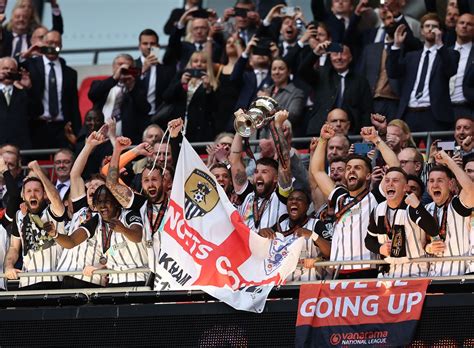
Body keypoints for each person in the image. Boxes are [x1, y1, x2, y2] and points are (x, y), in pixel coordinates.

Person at [310, 124, 399, 279]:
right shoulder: (339, 198)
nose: (351, 171)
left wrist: (376, 139)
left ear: (369, 175)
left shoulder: (376, 197)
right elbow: (317, 171)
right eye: (349, 168)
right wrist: (323, 140)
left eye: (357, 168)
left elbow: (395, 166)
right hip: (338, 272)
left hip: (368, 271)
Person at [105, 119, 183, 288]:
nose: (150, 184)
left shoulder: (177, 202)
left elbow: (182, 168)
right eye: (146, 180)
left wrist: (175, 137)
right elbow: (111, 183)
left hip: (177, 274)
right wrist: (118, 150)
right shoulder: (138, 203)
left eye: (154, 179)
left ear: (165, 182)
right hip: (149, 275)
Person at [50, 183, 147, 287]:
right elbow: (71, 241)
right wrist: (55, 234)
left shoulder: (129, 214)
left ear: (115, 202)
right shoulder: (96, 221)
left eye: (107, 201)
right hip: (114, 282)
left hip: (138, 277)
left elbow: (137, 236)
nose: (103, 206)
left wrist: (123, 230)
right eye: (99, 202)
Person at [386, 13, 460, 131]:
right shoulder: (411, 56)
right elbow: (392, 72)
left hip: (434, 114)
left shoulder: (450, 53)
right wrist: (396, 45)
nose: (430, 28)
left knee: (440, 148)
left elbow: (451, 70)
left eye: (434, 26)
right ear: (421, 31)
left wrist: (440, 44)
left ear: (441, 31)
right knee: (406, 149)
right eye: (427, 26)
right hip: (409, 113)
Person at [365, 168, 440, 278]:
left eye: (395, 180)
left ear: (405, 188)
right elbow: (369, 240)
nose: (390, 184)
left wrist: (418, 206)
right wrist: (380, 248)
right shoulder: (378, 209)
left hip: (415, 271)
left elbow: (433, 230)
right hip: (387, 273)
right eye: (387, 181)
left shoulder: (412, 207)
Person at [56, 129, 108, 288]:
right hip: (64, 277)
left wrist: (102, 267)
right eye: (90, 186)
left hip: (90, 280)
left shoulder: (111, 218)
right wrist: (89, 146)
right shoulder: (80, 209)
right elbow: (75, 175)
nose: (92, 188)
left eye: (98, 186)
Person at [4, 161, 66, 289]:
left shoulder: (53, 211)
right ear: (23, 195)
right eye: (28, 191)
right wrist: (9, 266)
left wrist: (38, 170)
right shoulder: (19, 216)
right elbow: (14, 248)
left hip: (54, 280)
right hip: (27, 281)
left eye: (37, 190)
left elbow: (55, 197)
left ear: (44, 194)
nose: (32, 194)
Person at [229, 109, 292, 231]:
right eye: (256, 172)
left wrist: (278, 126)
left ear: (276, 178)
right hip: (245, 249)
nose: (258, 176)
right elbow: (234, 161)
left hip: (272, 248)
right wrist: (241, 125)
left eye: (264, 172)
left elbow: (285, 164)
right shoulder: (247, 194)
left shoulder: (281, 196)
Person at [298, 42, 372, 136]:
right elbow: (302, 71)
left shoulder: (361, 81)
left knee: (358, 150)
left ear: (350, 58)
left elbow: (366, 110)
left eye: (343, 54)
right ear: (330, 57)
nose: (339, 57)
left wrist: (365, 136)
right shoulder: (322, 74)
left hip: (351, 133)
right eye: (335, 54)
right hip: (319, 131)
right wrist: (316, 53)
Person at [24, 30, 81, 149]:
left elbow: (74, 105)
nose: (53, 46)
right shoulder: (31, 65)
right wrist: (27, 55)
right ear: (43, 44)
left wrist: (77, 132)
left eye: (56, 43)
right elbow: (9, 67)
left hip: (62, 128)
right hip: (37, 126)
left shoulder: (70, 73)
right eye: (49, 43)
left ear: (61, 46)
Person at [259, 189, 331, 281]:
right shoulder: (280, 225)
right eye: (291, 199)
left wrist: (311, 234)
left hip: (308, 285)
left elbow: (330, 251)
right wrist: (261, 234)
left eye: (299, 199)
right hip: (283, 285)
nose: (294, 201)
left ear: (307, 206)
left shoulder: (316, 224)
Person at [425, 150, 474, 276]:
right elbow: (420, 243)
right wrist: (428, 248)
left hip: (458, 275)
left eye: (440, 180)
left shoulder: (456, 204)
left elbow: (470, 190)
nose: (435, 184)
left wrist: (449, 161)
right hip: (432, 277)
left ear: (451, 184)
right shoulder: (425, 209)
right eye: (431, 181)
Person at [88, 53, 150, 145]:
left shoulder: (138, 87)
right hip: (100, 138)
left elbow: (145, 108)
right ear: (113, 67)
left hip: (126, 141)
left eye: (128, 66)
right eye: (120, 65)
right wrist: (114, 79)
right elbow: (92, 94)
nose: (124, 68)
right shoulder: (103, 84)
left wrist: (131, 87)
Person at [162, 51, 217, 143]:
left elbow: (214, 107)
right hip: (180, 124)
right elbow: (166, 97)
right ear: (191, 64)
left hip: (200, 127)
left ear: (208, 65)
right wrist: (180, 83)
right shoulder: (181, 77)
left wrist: (208, 89)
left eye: (203, 62)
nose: (199, 64)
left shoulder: (213, 82)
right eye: (195, 61)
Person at [135, 29, 175, 118]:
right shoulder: (132, 66)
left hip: (158, 117)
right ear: (139, 46)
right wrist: (142, 71)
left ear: (158, 46)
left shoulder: (167, 71)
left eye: (152, 44)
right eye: (145, 43)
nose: (149, 46)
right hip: (135, 118)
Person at [230, 35, 273, 112]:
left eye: (264, 52)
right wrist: (246, 52)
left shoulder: (274, 77)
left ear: (270, 59)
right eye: (256, 52)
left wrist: (275, 57)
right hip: (241, 118)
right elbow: (234, 78)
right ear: (250, 61)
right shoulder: (245, 76)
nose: (261, 54)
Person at [259, 57, 305, 124]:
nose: (277, 72)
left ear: (289, 72)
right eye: (274, 69)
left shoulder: (297, 93)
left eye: (281, 69)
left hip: (281, 133)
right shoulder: (265, 91)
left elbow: (293, 116)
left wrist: (270, 103)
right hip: (262, 133)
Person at [0, 56, 33, 149]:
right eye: (5, 68)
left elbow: (37, 111)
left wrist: (27, 88)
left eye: (12, 70)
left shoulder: (22, 92)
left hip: (19, 146)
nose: (8, 72)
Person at [449, 13, 474, 117]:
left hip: (469, 107)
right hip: (444, 109)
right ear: (456, 27)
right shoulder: (444, 52)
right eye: (461, 23)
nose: (464, 26)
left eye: (469, 24)